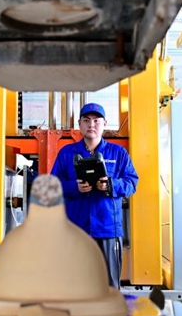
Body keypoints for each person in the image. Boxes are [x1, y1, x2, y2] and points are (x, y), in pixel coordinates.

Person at [50, 102, 139, 288]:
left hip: (107, 229)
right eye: (86, 120)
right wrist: (74, 187)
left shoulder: (118, 153)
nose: (91, 124)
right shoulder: (67, 153)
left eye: (96, 120)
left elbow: (132, 183)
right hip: (76, 230)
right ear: (80, 125)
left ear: (105, 123)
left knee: (109, 285)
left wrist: (111, 185)